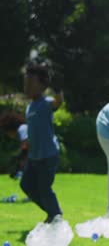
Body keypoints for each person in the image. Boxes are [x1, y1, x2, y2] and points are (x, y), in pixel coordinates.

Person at [20, 63, 64, 223]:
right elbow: (31, 134)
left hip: (48, 155)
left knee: (44, 188)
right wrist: (25, 155)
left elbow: (58, 102)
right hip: (34, 156)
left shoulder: (46, 102)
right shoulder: (29, 107)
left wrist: (58, 89)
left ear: (42, 85)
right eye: (25, 83)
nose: (26, 86)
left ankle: (55, 215)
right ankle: (54, 213)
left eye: (30, 83)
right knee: (26, 185)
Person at [0, 112, 28, 179]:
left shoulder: (22, 129)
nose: (7, 134)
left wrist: (17, 161)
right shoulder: (23, 129)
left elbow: (26, 146)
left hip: (45, 157)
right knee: (27, 185)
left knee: (27, 184)